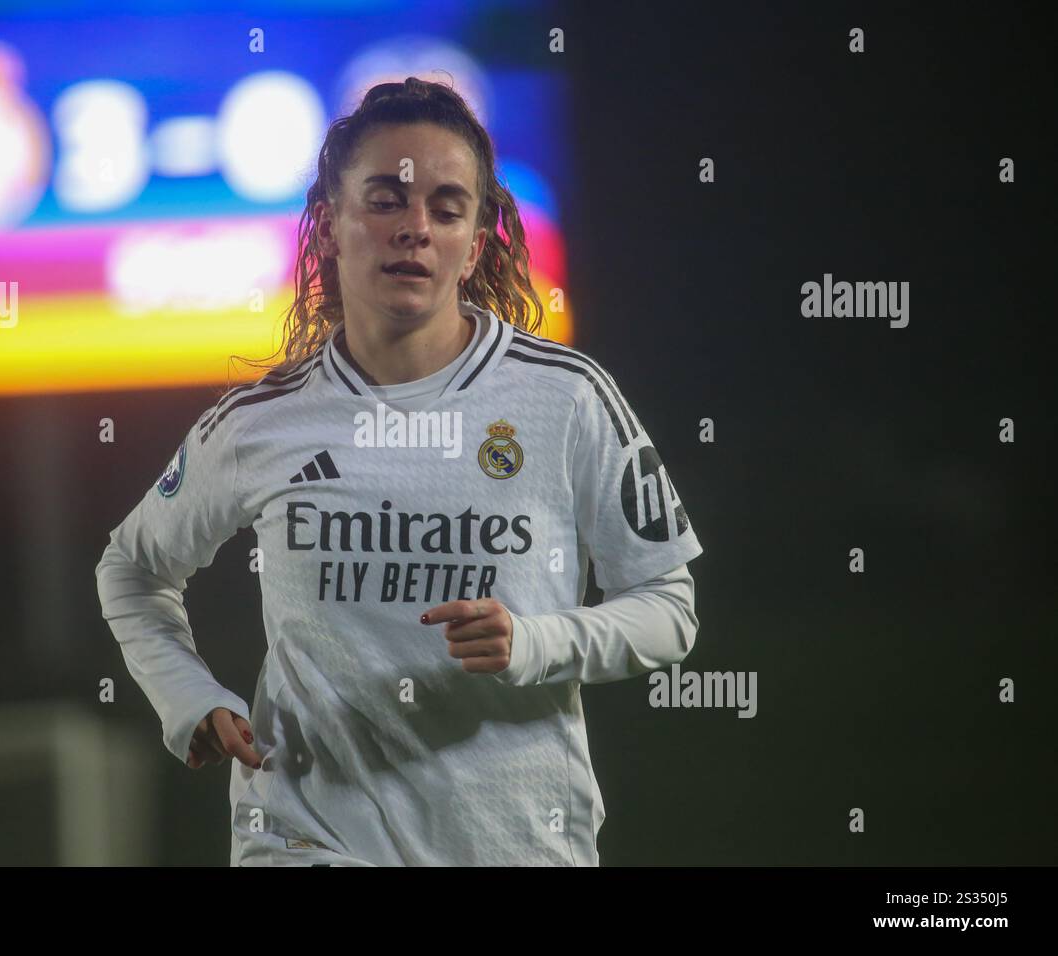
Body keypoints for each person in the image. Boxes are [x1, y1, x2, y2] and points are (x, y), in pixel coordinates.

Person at [95, 77, 704, 866]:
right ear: (329, 229)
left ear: (475, 243)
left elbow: (669, 604)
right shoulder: (259, 424)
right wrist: (188, 698)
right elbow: (132, 570)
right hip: (307, 836)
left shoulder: (568, 400)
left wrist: (538, 641)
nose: (415, 228)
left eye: (446, 209)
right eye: (385, 199)